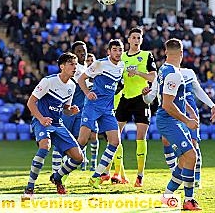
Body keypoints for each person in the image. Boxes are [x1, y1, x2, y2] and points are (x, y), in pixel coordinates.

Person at [22, 52, 84, 198]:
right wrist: (41, 118)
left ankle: (56, 178)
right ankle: (29, 188)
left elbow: (65, 109)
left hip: (57, 123)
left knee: (78, 158)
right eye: (71, 64)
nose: (75, 67)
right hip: (41, 121)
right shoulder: (48, 81)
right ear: (62, 66)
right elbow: (30, 102)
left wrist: (71, 110)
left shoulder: (72, 86)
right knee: (45, 147)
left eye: (76, 64)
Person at [154, 39, 201, 210]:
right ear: (182, 53)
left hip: (170, 119)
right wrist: (187, 120)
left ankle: (167, 196)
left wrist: (188, 110)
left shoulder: (164, 70)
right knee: (191, 156)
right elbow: (167, 104)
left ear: (166, 52)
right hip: (168, 120)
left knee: (184, 160)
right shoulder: (173, 73)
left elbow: (175, 97)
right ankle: (189, 200)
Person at [111, 28, 157, 186]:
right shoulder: (121, 57)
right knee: (115, 136)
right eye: (134, 37)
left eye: (139, 37)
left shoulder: (146, 55)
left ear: (141, 40)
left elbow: (153, 76)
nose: (136, 40)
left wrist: (138, 73)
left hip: (140, 99)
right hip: (125, 98)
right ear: (128, 40)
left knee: (140, 137)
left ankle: (140, 175)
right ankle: (117, 173)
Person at [76, 39, 125, 189]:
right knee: (82, 141)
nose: (118, 53)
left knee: (115, 142)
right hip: (92, 106)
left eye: (120, 50)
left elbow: (116, 85)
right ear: (109, 51)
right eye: (115, 50)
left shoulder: (122, 66)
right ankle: (62, 174)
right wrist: (87, 93)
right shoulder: (99, 64)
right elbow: (81, 79)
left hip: (107, 109)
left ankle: (96, 177)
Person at [53, 41, 98, 175]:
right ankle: (56, 171)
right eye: (79, 51)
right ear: (74, 54)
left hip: (81, 111)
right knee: (62, 141)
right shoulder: (75, 69)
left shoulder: (87, 69)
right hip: (68, 110)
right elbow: (87, 83)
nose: (82, 53)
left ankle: (63, 171)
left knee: (77, 141)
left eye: (84, 50)